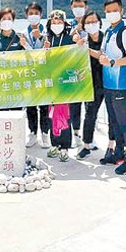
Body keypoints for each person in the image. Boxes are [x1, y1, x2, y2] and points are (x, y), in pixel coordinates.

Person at [95, 0, 126, 174]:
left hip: (121, 85)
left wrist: (112, 62)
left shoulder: (125, 33)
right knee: (114, 121)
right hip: (108, 84)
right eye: (108, 11)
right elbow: (102, 56)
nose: (111, 13)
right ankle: (118, 153)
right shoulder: (108, 32)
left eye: (115, 10)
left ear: (121, 11)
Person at [44, 10, 77, 162]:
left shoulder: (70, 37)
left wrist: (79, 41)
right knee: (51, 114)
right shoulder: (48, 38)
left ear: (64, 23)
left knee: (65, 114)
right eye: (54, 22)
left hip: (66, 82)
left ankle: (65, 146)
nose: (56, 25)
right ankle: (54, 143)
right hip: (51, 82)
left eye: (59, 22)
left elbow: (78, 55)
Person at [75, 11, 105, 159]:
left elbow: (102, 55)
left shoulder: (107, 37)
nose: (92, 25)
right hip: (91, 83)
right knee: (90, 113)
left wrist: (85, 49)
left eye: (94, 21)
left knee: (113, 116)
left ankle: (114, 146)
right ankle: (86, 144)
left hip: (111, 81)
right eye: (88, 22)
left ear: (100, 22)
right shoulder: (83, 40)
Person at [22, 2, 51, 149]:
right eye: (30, 13)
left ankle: (45, 135)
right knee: (30, 107)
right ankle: (32, 134)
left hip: (44, 74)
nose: (33, 16)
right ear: (26, 16)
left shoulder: (47, 33)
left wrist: (40, 38)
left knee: (45, 106)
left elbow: (51, 53)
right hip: (29, 75)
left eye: (36, 13)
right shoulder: (22, 34)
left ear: (41, 15)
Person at [69, 0, 88, 147]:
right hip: (73, 70)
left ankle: (89, 135)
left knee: (90, 105)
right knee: (74, 104)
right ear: (71, 8)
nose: (78, 9)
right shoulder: (68, 25)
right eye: (75, 6)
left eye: (81, 6)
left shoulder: (92, 22)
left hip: (90, 70)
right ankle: (75, 132)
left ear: (86, 7)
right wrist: (75, 32)